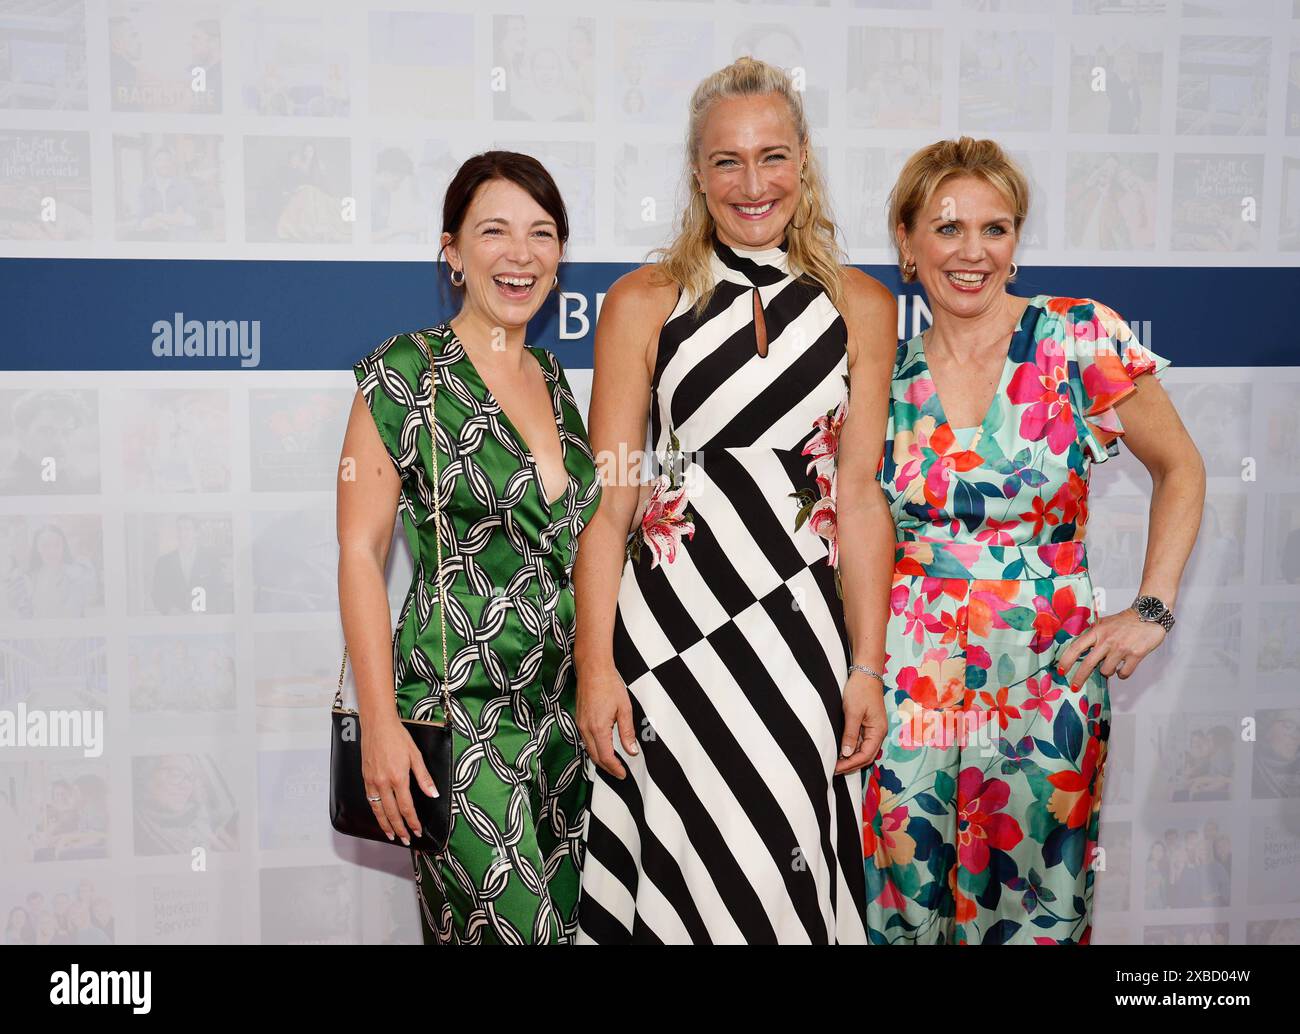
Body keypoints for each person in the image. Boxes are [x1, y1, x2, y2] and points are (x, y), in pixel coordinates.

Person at [573, 56, 896, 944]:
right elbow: (609, 508)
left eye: (773, 156)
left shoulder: (862, 304)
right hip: (670, 639)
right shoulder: (642, 300)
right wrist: (596, 670)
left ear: (805, 163)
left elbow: (862, 501)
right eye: (727, 161)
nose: (753, 184)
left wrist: (866, 666)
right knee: (683, 867)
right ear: (696, 173)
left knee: (784, 865)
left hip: (799, 638)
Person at [865, 135, 1206, 944]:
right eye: (947, 228)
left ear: (1017, 243)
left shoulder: (1079, 339)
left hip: (1048, 684)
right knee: (902, 915)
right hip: (909, 687)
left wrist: (1151, 608)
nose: (973, 251)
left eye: (997, 227)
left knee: (1037, 915)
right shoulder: (880, 371)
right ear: (907, 244)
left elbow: (1182, 468)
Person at [338, 151, 602, 944]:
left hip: (561, 727)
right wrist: (379, 722)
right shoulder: (403, 373)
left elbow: (577, 541)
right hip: (458, 724)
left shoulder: (556, 380)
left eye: (542, 233)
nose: (520, 254)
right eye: (494, 231)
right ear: (451, 252)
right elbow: (360, 551)